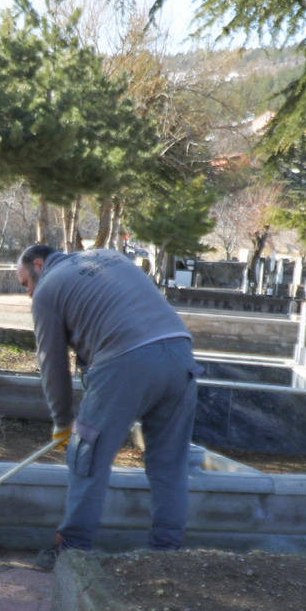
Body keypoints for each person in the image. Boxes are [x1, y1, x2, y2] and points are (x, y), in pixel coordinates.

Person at [17, 244, 202, 569]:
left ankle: (71, 554)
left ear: (38, 264)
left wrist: (62, 422)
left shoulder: (47, 288)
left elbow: (52, 365)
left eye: (25, 284)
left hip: (126, 360)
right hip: (181, 354)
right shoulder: (110, 255)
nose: (28, 293)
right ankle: (165, 557)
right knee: (170, 465)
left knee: (86, 457)